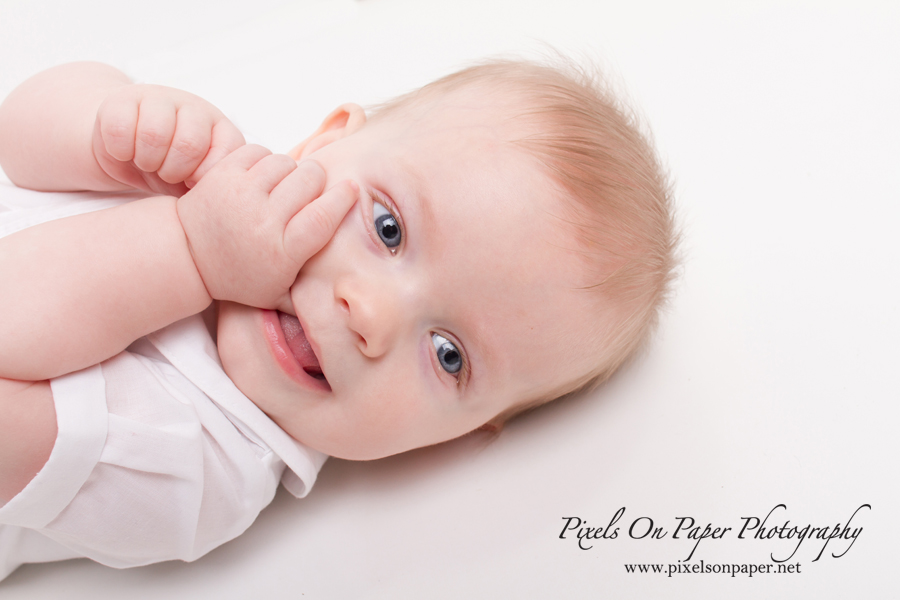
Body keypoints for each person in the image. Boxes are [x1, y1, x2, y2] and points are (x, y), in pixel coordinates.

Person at [0, 58, 677, 578]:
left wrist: (191, 252)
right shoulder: (213, 176)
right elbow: (18, 143)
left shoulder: (194, 466)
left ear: (449, 441)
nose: (371, 315)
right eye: (388, 228)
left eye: (449, 355)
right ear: (323, 144)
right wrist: (106, 123)